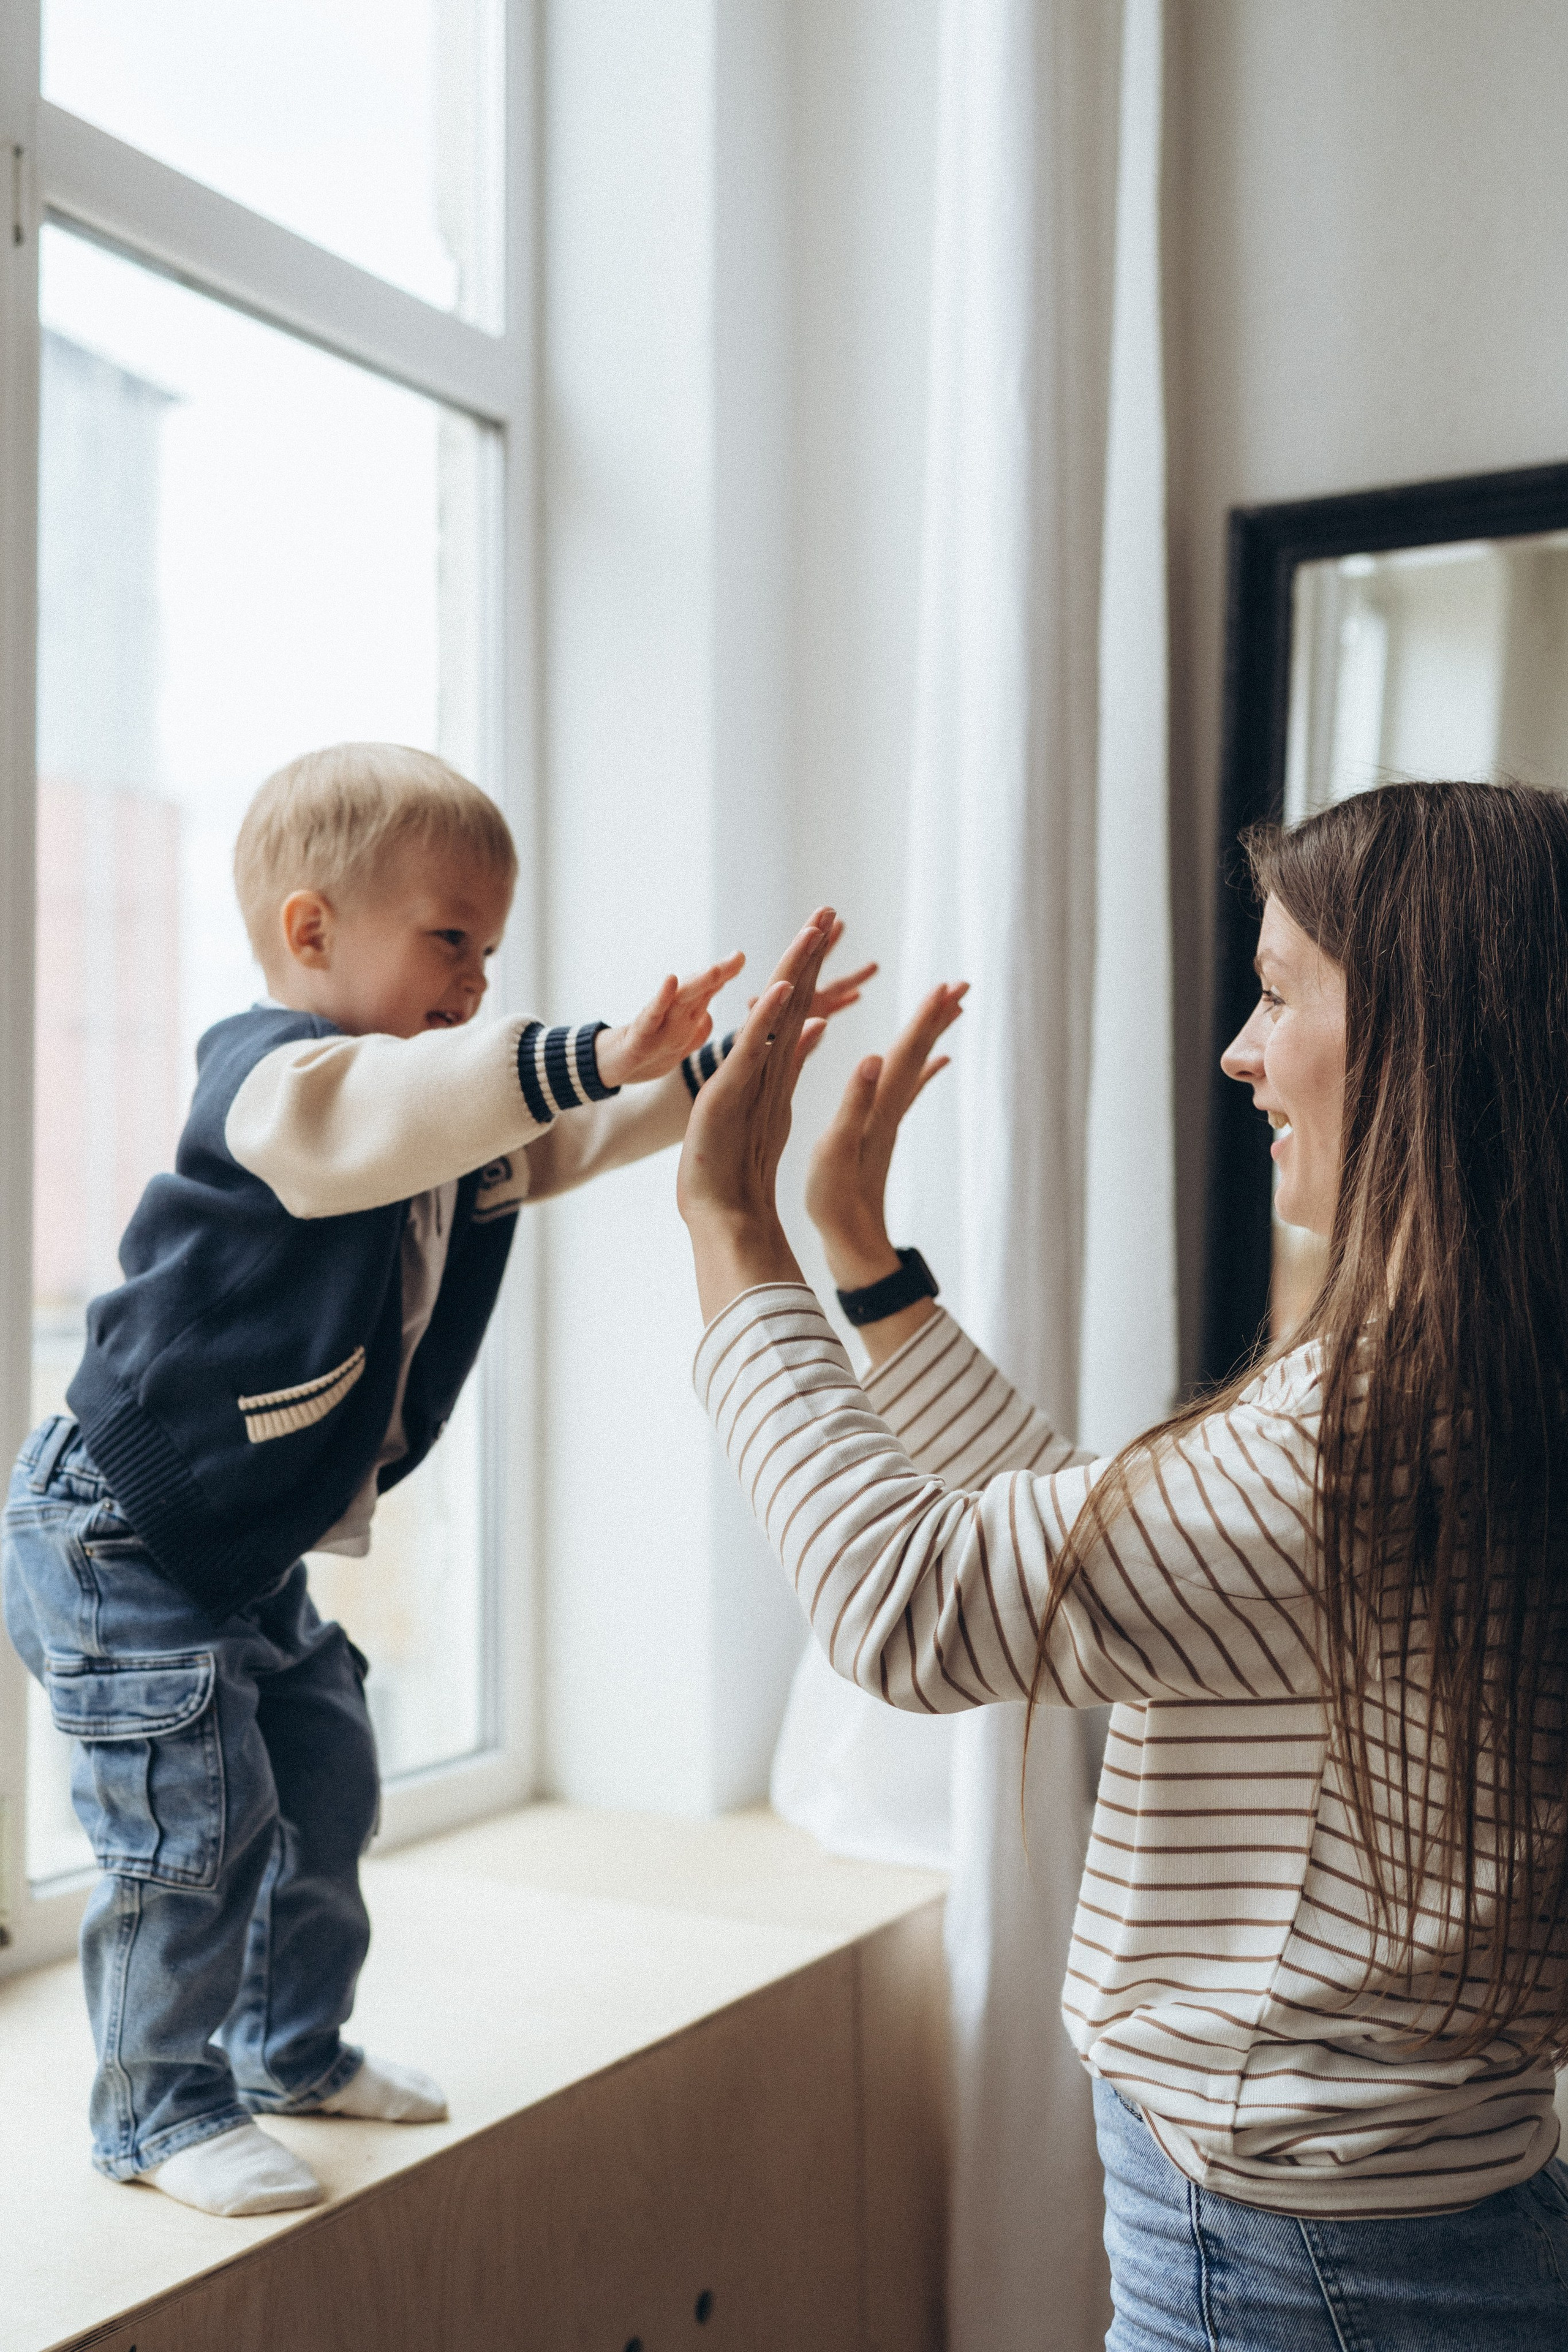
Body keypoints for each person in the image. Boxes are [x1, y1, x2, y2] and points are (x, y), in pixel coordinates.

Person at [676, 780, 1568, 2348]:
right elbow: (1116, 1558)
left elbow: (907, 1604)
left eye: (1280, 992)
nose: (1235, 1048)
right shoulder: (1487, 1390)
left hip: (1298, 2256)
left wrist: (730, 1234)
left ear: (1427, 1047)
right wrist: (873, 1281)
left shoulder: (1357, 1433)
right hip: (1419, 2216)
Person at [2, 741, 872, 2220]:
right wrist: (588, 1047)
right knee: (188, 1824)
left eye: (490, 951)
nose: (474, 983)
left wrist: (720, 1067)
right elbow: (394, 1114)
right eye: (449, 941)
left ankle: (288, 2047)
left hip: (238, 1543)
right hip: (122, 1532)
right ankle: (155, 2107)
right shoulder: (273, 1086)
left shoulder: (435, 1125)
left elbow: (555, 1128)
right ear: (312, 931)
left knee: (326, 1779)